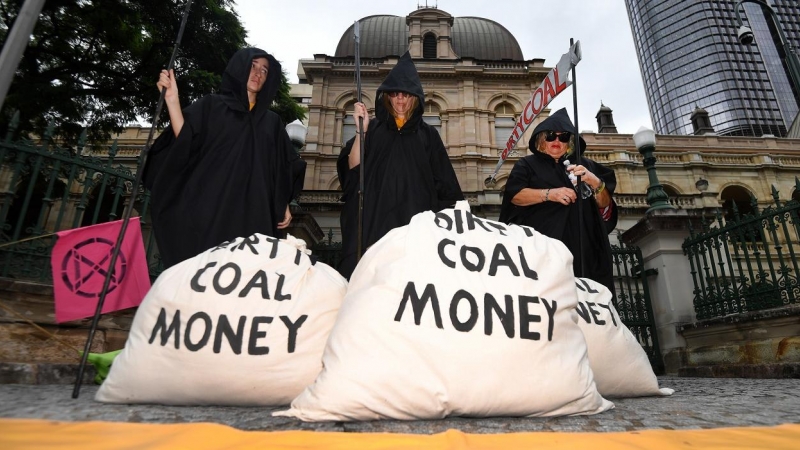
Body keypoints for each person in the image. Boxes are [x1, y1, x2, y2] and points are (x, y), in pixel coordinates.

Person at [143, 48, 306, 269]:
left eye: (264, 70)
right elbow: (186, 141)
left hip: (253, 214)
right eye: (253, 66)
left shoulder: (272, 123)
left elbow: (281, 167)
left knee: (247, 275)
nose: (258, 73)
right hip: (212, 206)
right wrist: (172, 100)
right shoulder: (212, 105)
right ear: (240, 67)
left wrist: (283, 201)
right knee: (206, 271)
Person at [337, 51, 464, 279]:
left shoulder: (428, 134)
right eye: (395, 94)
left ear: (415, 97)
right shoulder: (372, 129)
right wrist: (361, 130)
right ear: (386, 97)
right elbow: (353, 170)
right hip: (373, 223)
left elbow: (444, 183)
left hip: (414, 225)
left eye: (406, 95)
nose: (400, 100)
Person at [499, 108, 617, 295]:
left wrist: (595, 182)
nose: (556, 141)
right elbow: (515, 195)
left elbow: (604, 205)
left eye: (563, 138)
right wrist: (549, 194)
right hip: (541, 250)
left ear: (569, 142)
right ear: (540, 139)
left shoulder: (586, 165)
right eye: (551, 136)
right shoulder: (527, 165)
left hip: (585, 251)